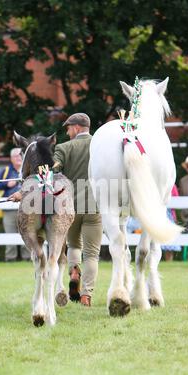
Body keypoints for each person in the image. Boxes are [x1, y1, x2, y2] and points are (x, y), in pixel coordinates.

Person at [53, 113, 103, 307]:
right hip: (95, 206)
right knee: (92, 254)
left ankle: (74, 270)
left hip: (70, 207)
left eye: (68, 128)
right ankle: (86, 295)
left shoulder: (63, 148)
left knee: (74, 246)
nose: (67, 132)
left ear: (76, 127)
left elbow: (54, 170)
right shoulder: (100, 145)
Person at [0, 148, 31, 262]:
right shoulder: (5, 171)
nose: (18, 157)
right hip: (9, 208)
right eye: (15, 156)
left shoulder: (29, 170)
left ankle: (27, 257)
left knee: (27, 232)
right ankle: (10, 258)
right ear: (11, 158)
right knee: (9, 232)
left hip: (27, 207)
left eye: (20, 155)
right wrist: (7, 184)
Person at [161, 185, 182, 261]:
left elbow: (176, 200)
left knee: (169, 241)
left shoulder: (172, 185)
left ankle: (168, 261)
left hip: (169, 214)